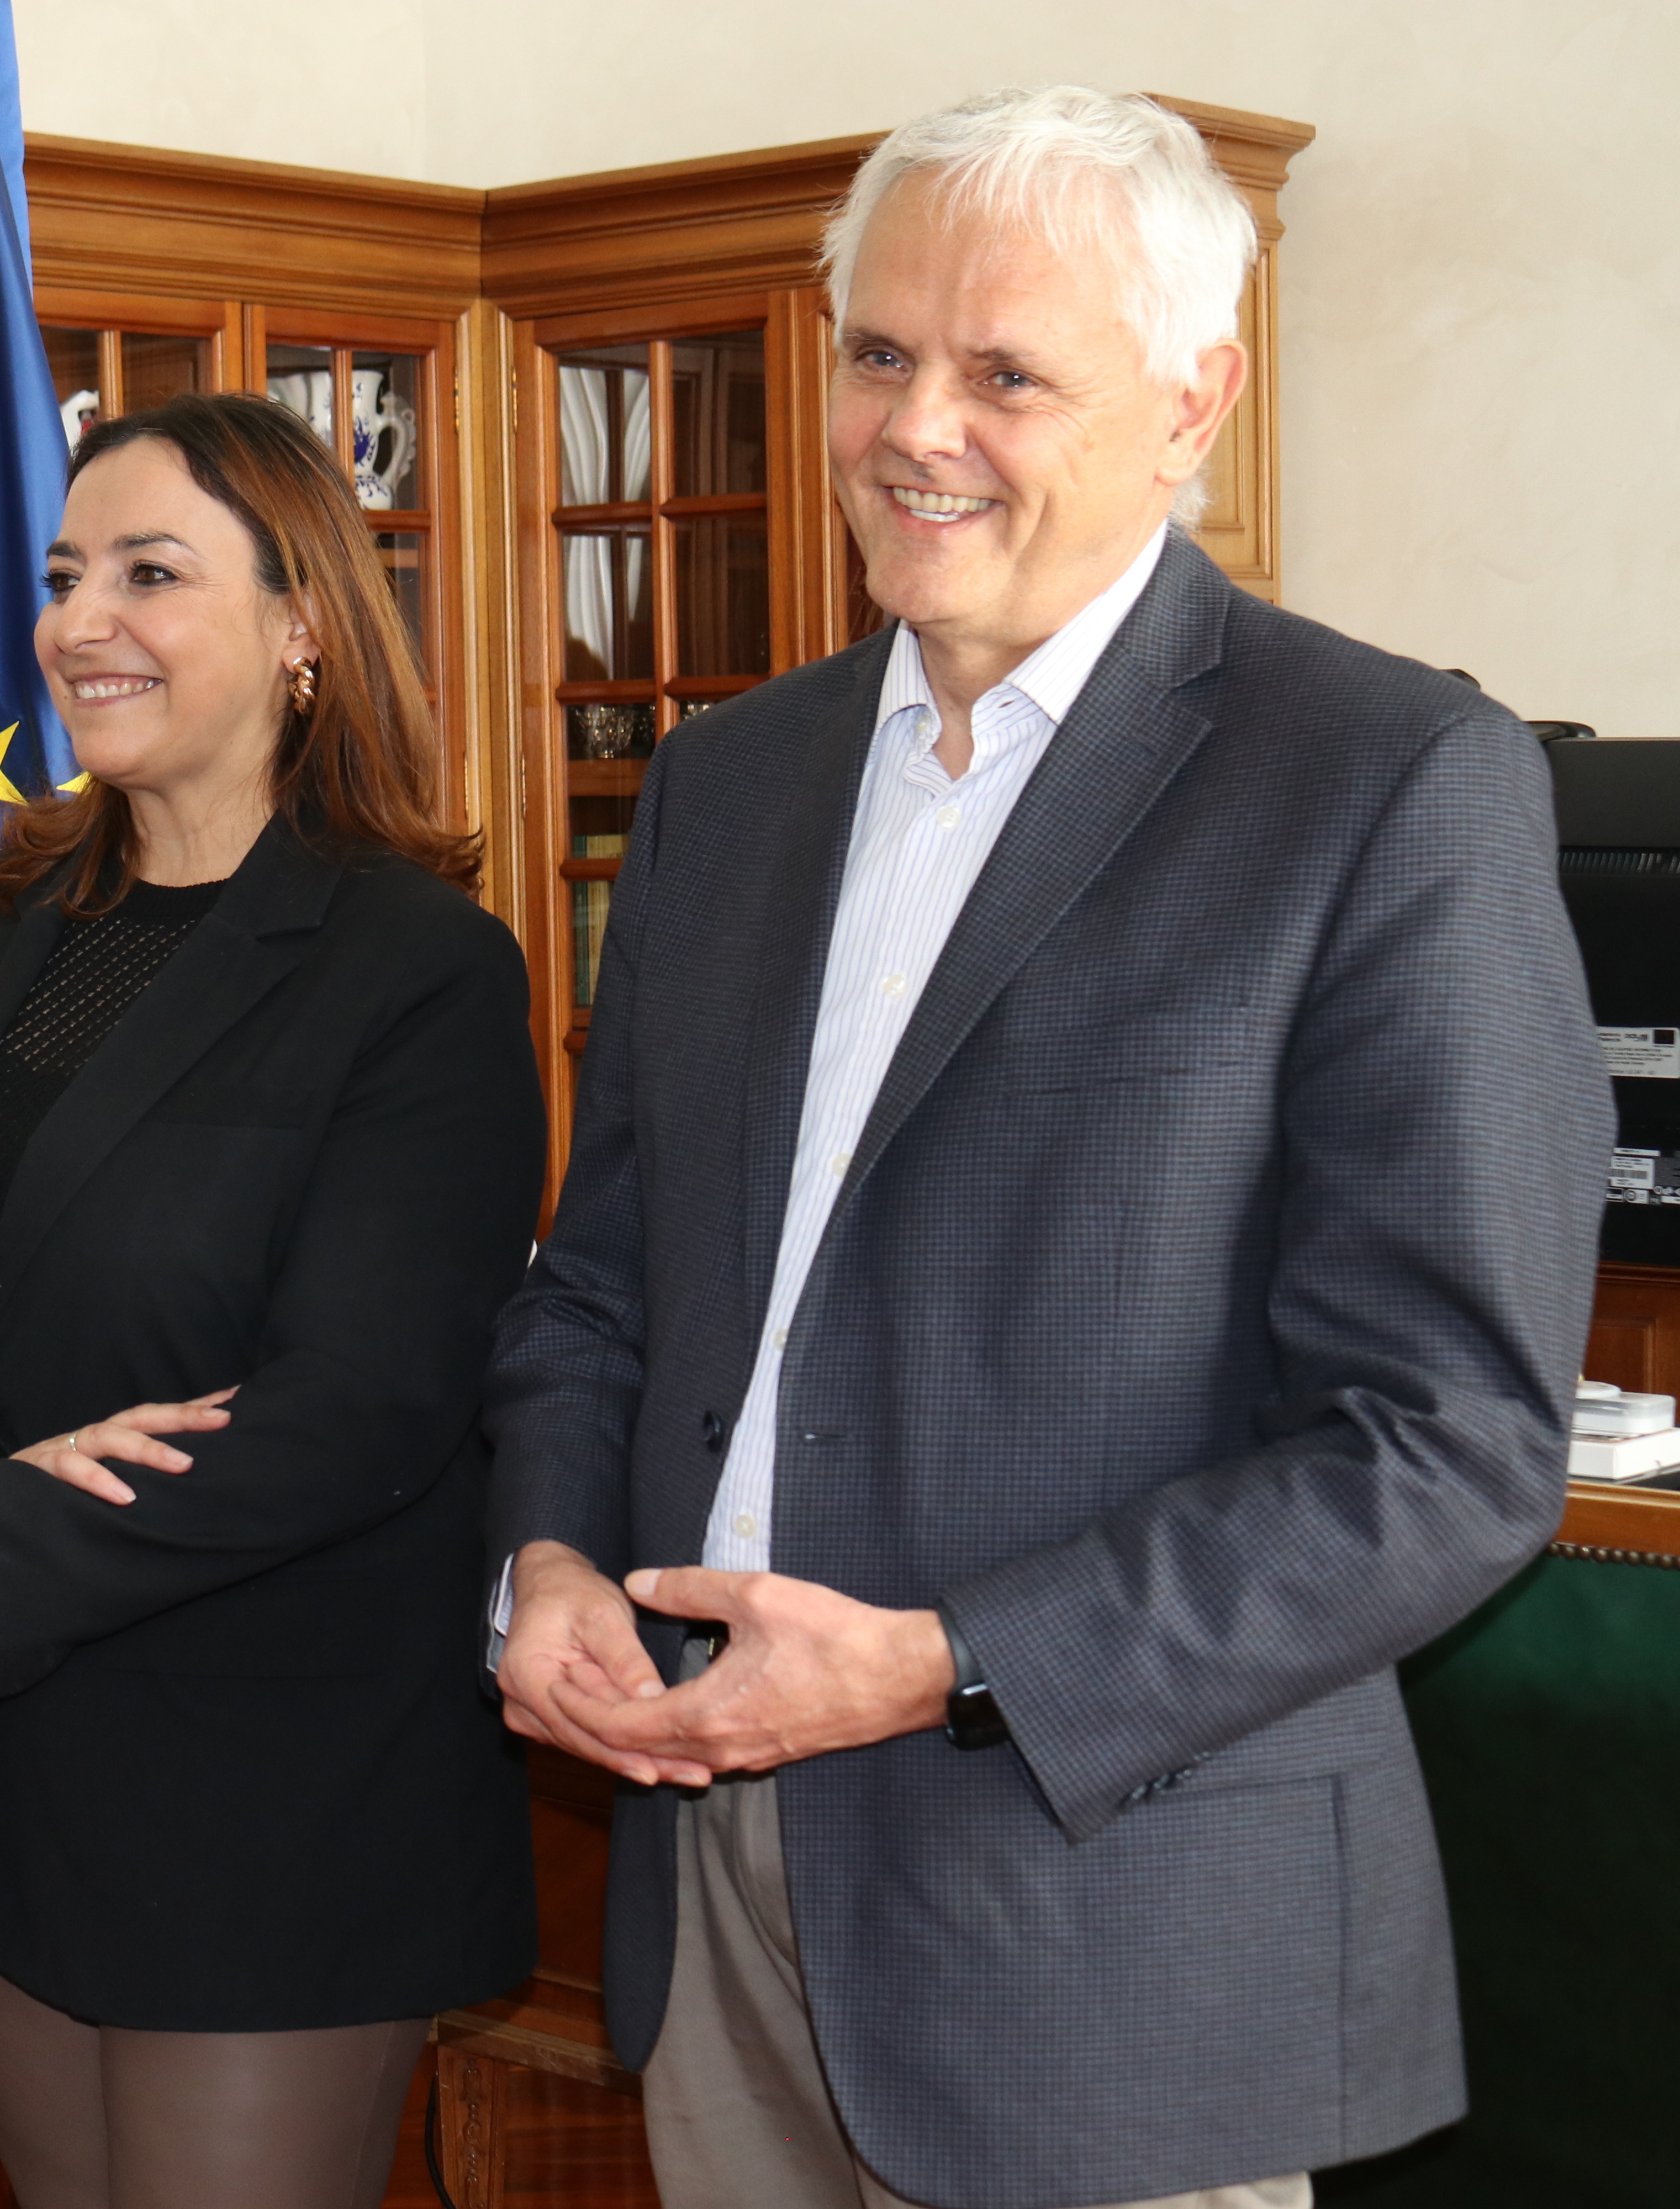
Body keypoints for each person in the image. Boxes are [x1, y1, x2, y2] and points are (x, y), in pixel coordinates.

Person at [485, 85, 1610, 2209]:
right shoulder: (729, 784)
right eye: (879, 353)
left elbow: (1449, 1443)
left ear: (1196, 404)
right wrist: (543, 1563)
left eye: (1008, 375)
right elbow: (601, 1292)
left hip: (1103, 1927)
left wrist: (941, 1665)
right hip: (713, 1891)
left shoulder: (1386, 780)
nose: (917, 429)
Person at [0, 391, 543, 2209]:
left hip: (270, 1780)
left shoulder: (416, 968)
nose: (81, 622)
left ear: (302, 623)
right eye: (62, 576)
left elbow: (365, 1405)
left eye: (151, 574)